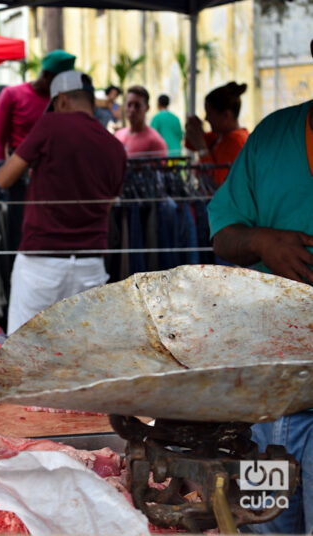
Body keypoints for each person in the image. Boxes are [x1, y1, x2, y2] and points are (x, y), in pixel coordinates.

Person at [206, 40, 313, 535]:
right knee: (266, 524)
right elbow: (223, 234)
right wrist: (264, 241)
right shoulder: (272, 137)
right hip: (267, 406)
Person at [0, 72, 127, 333]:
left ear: (62, 100)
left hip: (41, 264)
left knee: (24, 357)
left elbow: (4, 178)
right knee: (82, 356)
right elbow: (107, 205)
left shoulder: (50, 125)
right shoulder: (115, 147)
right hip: (91, 267)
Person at [0, 50, 76, 161]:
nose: (63, 86)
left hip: (54, 164)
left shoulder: (62, 100)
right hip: (20, 165)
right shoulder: (12, 95)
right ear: (46, 75)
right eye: (59, 81)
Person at [185, 82, 249, 186]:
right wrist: (193, 127)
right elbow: (190, 143)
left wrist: (203, 150)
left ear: (226, 115)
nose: (206, 118)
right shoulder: (219, 136)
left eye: (209, 113)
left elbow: (217, 181)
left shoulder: (235, 142)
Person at [114, 85, 168, 158]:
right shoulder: (118, 136)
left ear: (147, 108)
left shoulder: (155, 141)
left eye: (137, 105)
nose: (132, 110)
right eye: (129, 105)